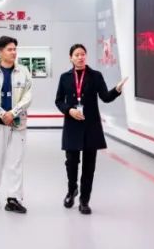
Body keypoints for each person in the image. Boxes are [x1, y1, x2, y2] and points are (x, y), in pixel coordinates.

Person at [54, 44, 127, 214]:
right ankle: (72, 190)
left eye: (83, 54)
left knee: (89, 166)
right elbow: (59, 100)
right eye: (77, 55)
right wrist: (69, 110)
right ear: (71, 58)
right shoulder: (65, 77)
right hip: (72, 125)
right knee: (71, 163)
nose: (80, 57)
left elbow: (105, 97)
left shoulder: (95, 76)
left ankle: (84, 200)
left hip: (91, 126)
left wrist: (117, 90)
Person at [0, 36, 32, 213]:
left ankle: (13, 198)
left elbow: (28, 96)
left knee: (16, 161)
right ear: (0, 52)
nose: (14, 52)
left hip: (17, 124)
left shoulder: (24, 71)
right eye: (10, 49)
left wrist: (13, 113)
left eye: (15, 49)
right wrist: (2, 113)